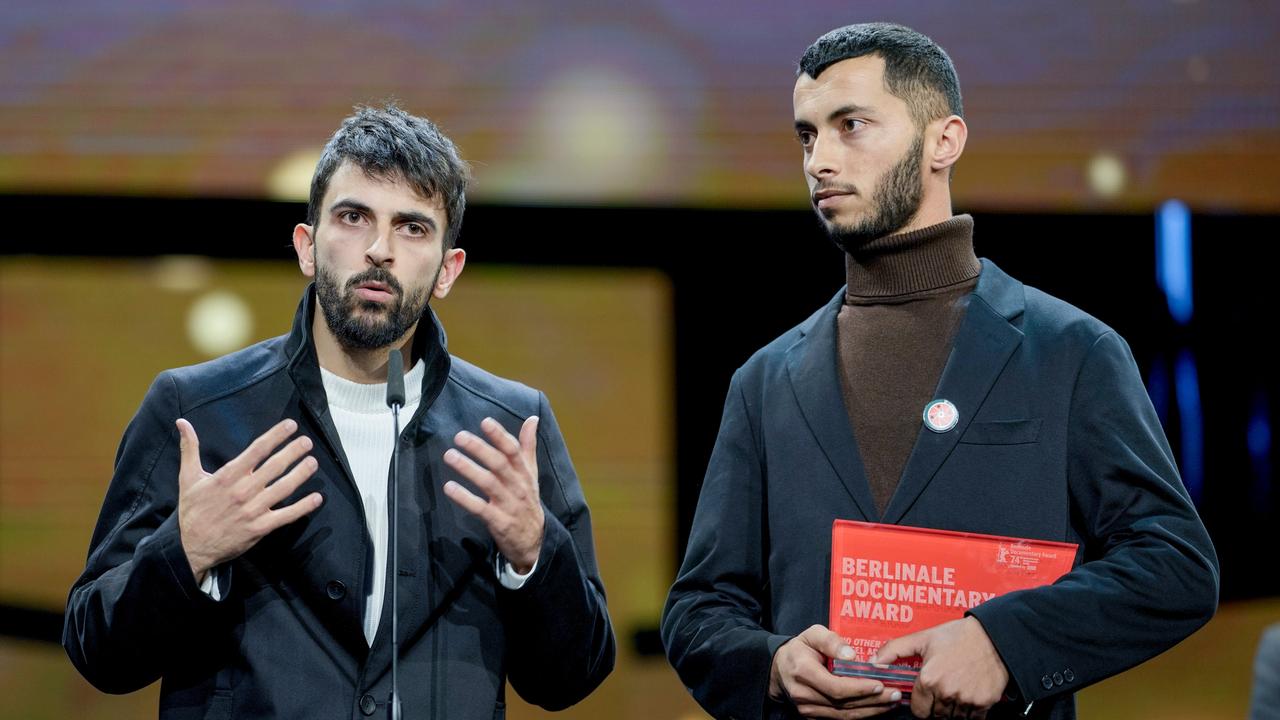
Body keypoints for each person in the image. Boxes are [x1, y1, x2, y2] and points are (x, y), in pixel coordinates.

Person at [661, 23, 1218, 720]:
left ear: (943, 140)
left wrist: (1004, 643)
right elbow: (699, 607)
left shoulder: (1071, 350)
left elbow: (1174, 566)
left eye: (850, 125)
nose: (819, 160)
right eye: (807, 135)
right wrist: (770, 664)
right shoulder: (766, 380)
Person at [63, 104, 615, 719]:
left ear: (447, 270)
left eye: (412, 227)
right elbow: (98, 652)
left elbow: (573, 678)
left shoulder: (511, 427)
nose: (379, 250)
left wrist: (534, 557)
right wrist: (186, 552)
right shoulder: (199, 410)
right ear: (306, 245)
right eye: (354, 217)